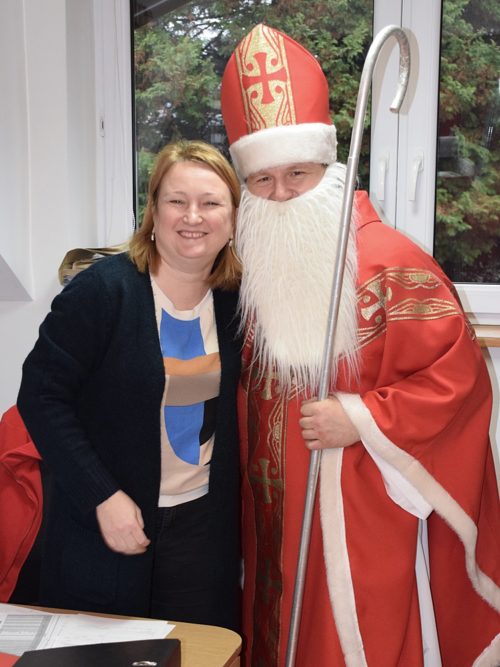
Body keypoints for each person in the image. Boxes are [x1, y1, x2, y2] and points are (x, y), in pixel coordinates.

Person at [220, 23, 500, 666]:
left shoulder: (390, 264)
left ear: (328, 167)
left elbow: (458, 380)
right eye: (262, 179)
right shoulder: (250, 266)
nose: (281, 194)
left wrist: (362, 417)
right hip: (269, 507)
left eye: (297, 173)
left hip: (353, 505)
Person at [17, 139, 242, 631]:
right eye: (177, 200)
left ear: (232, 219)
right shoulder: (102, 291)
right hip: (106, 525)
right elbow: (41, 396)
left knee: (197, 653)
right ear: (154, 212)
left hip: (202, 531)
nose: (193, 216)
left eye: (210, 203)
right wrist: (102, 495)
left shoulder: (237, 301)